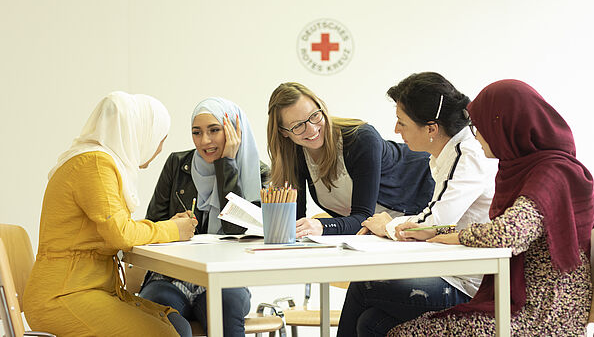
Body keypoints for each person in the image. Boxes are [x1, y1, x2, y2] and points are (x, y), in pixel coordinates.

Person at [388, 79, 594, 336]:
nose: (475, 135)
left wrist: (455, 236)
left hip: (543, 313)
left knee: (401, 332)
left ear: (506, 126)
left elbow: (508, 234)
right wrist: (442, 233)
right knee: (376, 322)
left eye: (481, 126)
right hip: (517, 297)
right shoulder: (523, 169)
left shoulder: (552, 173)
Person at [23, 92, 197, 337]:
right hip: (64, 296)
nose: (160, 149)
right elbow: (120, 235)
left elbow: (114, 226)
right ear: (140, 133)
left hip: (91, 289)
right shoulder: (94, 164)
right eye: (160, 139)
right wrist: (173, 229)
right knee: (167, 333)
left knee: (177, 323)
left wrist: (169, 226)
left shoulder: (98, 162)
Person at [337, 72, 497, 336]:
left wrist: (388, 225)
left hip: (470, 286)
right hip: (452, 271)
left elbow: (435, 223)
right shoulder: (446, 153)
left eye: (402, 122)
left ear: (431, 128)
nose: (395, 130)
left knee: (363, 286)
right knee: (371, 323)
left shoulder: (466, 156)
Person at [140, 97, 268, 336]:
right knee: (157, 312)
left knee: (227, 309)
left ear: (234, 131)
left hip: (227, 278)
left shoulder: (258, 173)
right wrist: (172, 226)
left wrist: (227, 165)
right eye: (196, 132)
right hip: (170, 277)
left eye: (214, 130)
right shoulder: (177, 164)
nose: (204, 141)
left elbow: (236, 230)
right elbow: (151, 226)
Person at [267, 82, 435, 237]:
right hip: (384, 230)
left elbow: (363, 217)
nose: (311, 129)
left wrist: (322, 226)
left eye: (314, 115)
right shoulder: (295, 154)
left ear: (322, 109)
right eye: (298, 125)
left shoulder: (362, 139)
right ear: (284, 132)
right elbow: (294, 221)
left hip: (424, 192)